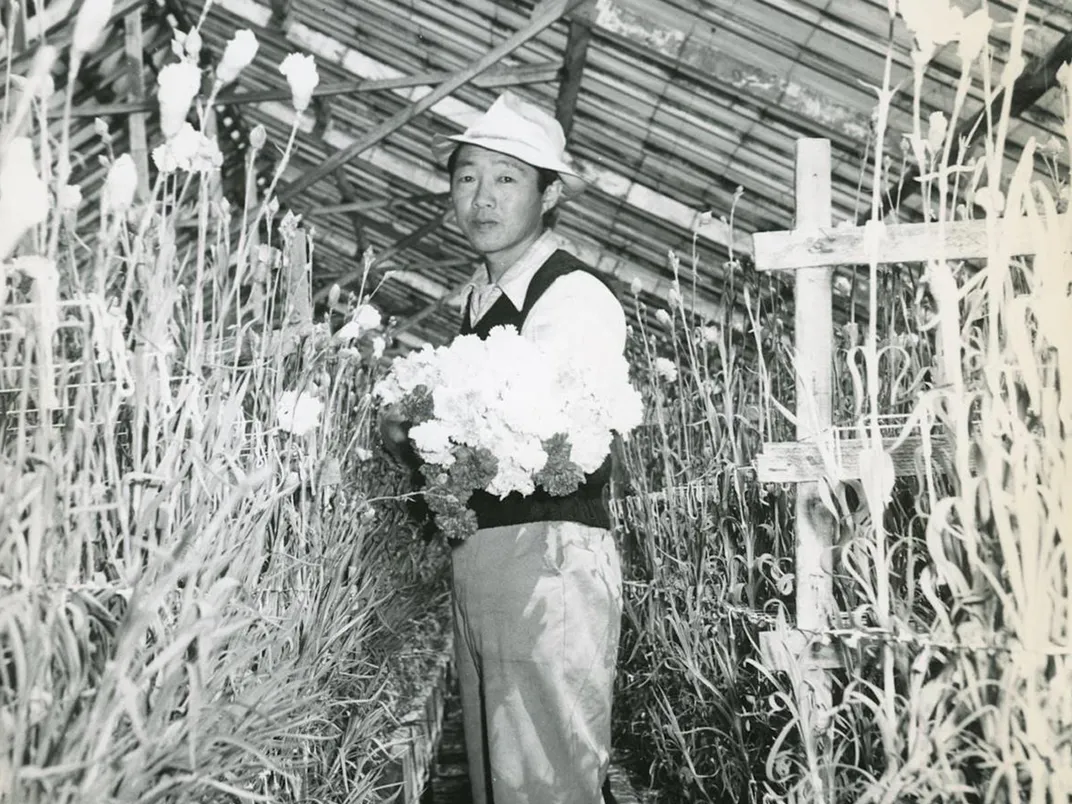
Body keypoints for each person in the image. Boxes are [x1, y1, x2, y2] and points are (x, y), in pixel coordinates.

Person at [384, 91, 626, 804]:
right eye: (466, 178)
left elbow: (560, 441)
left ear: (551, 195)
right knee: (504, 773)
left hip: (548, 559)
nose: (481, 198)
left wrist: (430, 426)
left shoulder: (572, 299)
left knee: (544, 773)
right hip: (490, 553)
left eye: (507, 178)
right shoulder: (483, 297)